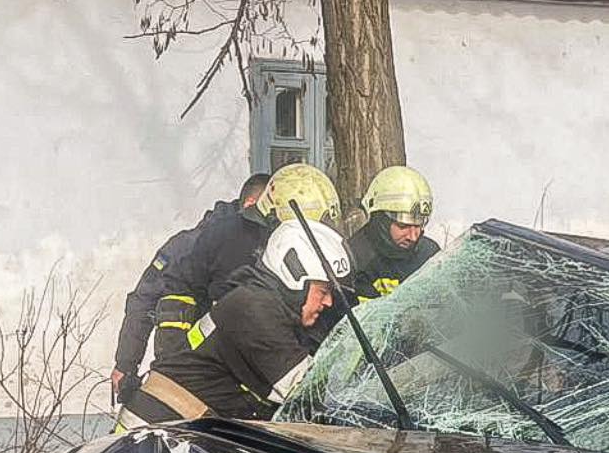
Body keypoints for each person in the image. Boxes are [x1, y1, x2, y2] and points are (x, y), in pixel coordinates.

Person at [123, 219, 352, 424]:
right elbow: (309, 395)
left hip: (181, 431)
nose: (329, 302)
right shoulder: (255, 311)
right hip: (153, 436)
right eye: (323, 291)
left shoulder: (264, 305)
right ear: (294, 277)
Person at [144, 162, 340, 367]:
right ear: (278, 219)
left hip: (274, 364)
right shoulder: (225, 238)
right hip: (207, 366)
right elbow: (179, 293)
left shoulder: (313, 255)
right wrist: (172, 359)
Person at [110, 172, 269, 403]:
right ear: (251, 204)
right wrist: (125, 364)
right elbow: (144, 300)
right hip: (187, 357)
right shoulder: (191, 244)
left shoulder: (269, 244)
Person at [350, 165, 440, 301]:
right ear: (381, 220)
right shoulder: (356, 259)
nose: (413, 237)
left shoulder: (430, 255)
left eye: (419, 226)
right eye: (403, 226)